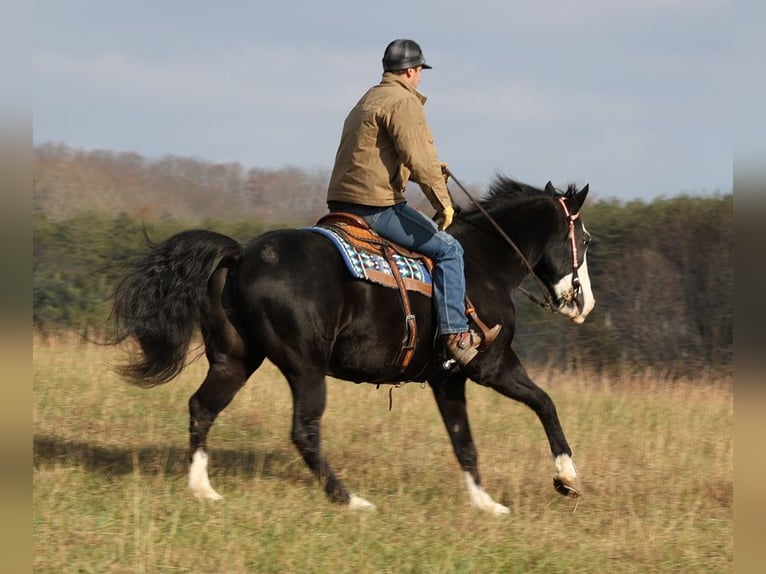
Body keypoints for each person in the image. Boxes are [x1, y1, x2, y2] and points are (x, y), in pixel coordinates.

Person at [326, 38, 500, 366]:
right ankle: (457, 337)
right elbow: (417, 156)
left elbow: (381, 155)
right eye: (420, 71)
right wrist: (443, 202)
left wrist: (433, 170)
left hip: (341, 204)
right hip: (376, 205)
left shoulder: (369, 98)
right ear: (409, 71)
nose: (420, 77)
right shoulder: (404, 102)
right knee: (449, 250)